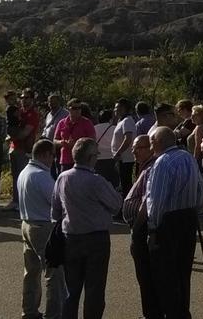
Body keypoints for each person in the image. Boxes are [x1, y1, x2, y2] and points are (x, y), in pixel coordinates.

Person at [51, 137, 123, 319]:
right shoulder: (96, 181)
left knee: (71, 290)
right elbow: (116, 205)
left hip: (71, 237)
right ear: (91, 157)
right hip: (96, 239)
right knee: (95, 289)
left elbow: (55, 210)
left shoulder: (62, 177)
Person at [144, 126, 203, 317]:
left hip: (168, 221)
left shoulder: (162, 162)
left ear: (159, 142)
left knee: (166, 274)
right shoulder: (187, 157)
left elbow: (156, 199)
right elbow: (201, 188)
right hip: (188, 218)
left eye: (152, 142)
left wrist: (152, 228)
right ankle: (182, 312)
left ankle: (171, 312)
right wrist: (196, 208)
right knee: (183, 271)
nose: (151, 146)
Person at [18, 139, 66, 319]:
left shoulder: (25, 172)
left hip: (26, 223)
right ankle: (54, 314)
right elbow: (57, 202)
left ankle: (29, 310)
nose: (53, 159)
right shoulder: (41, 175)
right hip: (43, 226)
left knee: (31, 272)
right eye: (52, 155)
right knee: (54, 273)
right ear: (45, 154)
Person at [122, 134, 162, 319]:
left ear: (150, 148)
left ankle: (152, 313)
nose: (133, 151)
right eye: (133, 148)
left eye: (138, 147)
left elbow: (148, 201)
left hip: (144, 227)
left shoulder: (151, 168)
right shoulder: (143, 166)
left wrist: (137, 227)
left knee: (147, 275)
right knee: (145, 276)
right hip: (142, 226)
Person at [7, 89, 40, 211]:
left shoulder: (32, 114)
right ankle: (15, 201)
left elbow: (24, 133)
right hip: (14, 147)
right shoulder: (18, 112)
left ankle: (23, 202)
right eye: (22, 98)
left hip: (24, 149)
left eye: (26, 98)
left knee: (22, 176)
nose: (24, 100)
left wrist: (12, 135)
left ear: (32, 99)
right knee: (15, 175)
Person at [53, 98, 96, 172]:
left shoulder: (87, 122)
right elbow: (55, 140)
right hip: (65, 160)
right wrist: (62, 142)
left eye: (79, 108)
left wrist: (78, 144)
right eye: (74, 108)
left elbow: (93, 140)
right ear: (68, 109)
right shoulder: (62, 123)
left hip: (82, 161)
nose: (78, 110)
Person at [111, 99, 137, 199]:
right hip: (122, 159)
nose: (115, 110)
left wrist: (118, 153)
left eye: (117, 108)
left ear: (124, 109)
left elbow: (128, 138)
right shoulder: (121, 121)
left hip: (126, 159)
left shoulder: (127, 121)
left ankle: (126, 206)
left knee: (125, 185)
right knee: (123, 185)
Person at [93, 110, 117, 187]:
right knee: (112, 183)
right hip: (111, 158)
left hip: (98, 158)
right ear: (110, 118)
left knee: (99, 183)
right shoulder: (114, 128)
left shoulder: (94, 128)